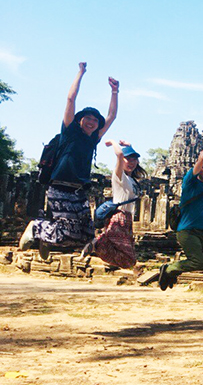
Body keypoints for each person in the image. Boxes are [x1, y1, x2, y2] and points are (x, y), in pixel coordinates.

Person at [20, 62, 119, 259]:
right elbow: (70, 98)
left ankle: (46, 238)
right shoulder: (69, 132)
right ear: (79, 120)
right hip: (59, 186)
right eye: (87, 118)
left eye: (95, 120)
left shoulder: (93, 139)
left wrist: (115, 92)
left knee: (85, 233)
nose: (92, 122)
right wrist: (80, 73)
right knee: (64, 230)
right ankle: (36, 228)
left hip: (79, 190)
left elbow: (112, 116)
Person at [158, 135, 203, 291]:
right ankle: (168, 269)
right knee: (197, 262)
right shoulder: (190, 180)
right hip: (186, 231)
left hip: (199, 232)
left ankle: (173, 273)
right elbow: (201, 159)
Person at [78, 140, 147, 269]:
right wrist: (113, 143)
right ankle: (98, 242)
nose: (131, 162)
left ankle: (97, 243)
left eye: (134, 160)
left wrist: (129, 146)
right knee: (128, 258)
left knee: (129, 259)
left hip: (127, 219)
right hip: (118, 217)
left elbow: (126, 156)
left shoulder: (132, 180)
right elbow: (120, 155)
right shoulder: (119, 176)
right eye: (128, 159)